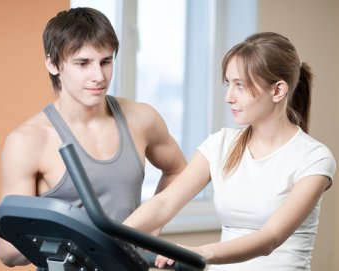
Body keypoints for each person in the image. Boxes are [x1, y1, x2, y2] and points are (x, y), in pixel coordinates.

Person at [124, 32, 336, 270]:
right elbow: (164, 203)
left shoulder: (314, 158)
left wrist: (200, 252)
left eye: (240, 86)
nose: (228, 97)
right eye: (228, 83)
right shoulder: (220, 144)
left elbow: (270, 238)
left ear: (278, 91)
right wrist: (113, 236)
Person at [0, 7, 186, 268]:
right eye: (83, 63)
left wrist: (147, 234)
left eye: (106, 62)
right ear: (53, 64)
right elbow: (8, 251)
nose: (99, 76)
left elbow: (178, 171)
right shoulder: (28, 141)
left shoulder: (141, 119)